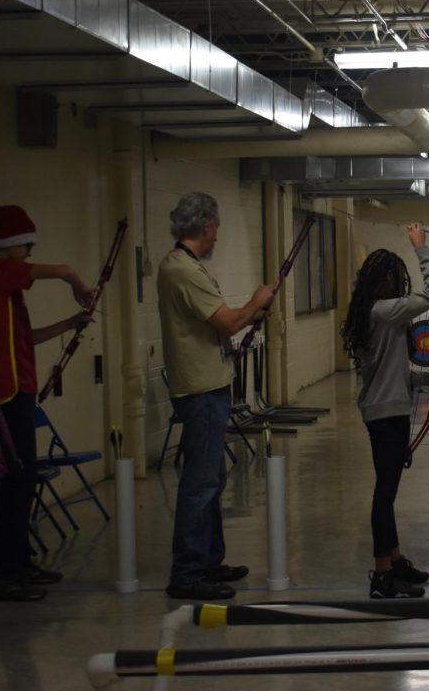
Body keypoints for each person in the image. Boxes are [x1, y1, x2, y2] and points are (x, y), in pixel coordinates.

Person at [0, 205, 92, 602]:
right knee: (18, 479)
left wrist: (70, 324)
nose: (28, 253)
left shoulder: (11, 294)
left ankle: (20, 562)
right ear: (7, 246)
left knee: (24, 479)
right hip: (7, 391)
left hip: (20, 388)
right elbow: (58, 270)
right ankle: (5, 572)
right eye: (25, 246)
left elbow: (28, 339)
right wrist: (77, 280)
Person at [158, 192, 273, 600]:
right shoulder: (182, 271)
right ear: (206, 225)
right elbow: (227, 322)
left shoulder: (186, 267)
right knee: (201, 482)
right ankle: (187, 572)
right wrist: (255, 303)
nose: (218, 235)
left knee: (213, 476)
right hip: (200, 388)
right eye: (217, 227)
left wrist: (253, 314)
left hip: (210, 384)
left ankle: (209, 561)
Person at [341, 223, 429, 599]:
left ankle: (395, 558)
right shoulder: (384, 310)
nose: (397, 283)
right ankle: (383, 574)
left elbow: (384, 370)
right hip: (386, 416)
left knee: (387, 491)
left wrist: (422, 380)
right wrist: (421, 248)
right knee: (384, 494)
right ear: (382, 280)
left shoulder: (372, 312)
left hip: (382, 408)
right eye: (393, 277)